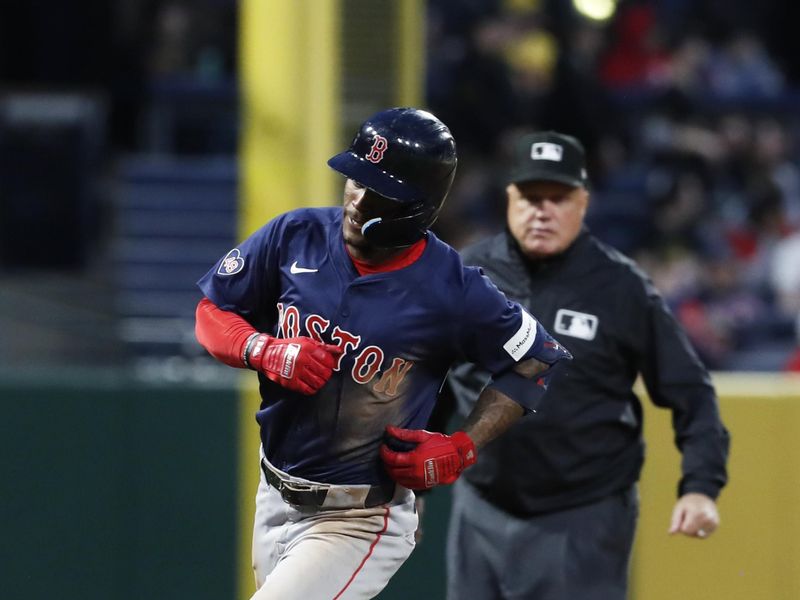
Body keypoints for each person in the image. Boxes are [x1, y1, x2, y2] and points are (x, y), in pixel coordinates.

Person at [193, 108, 572, 599]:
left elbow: (536, 358)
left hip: (361, 516)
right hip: (274, 494)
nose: (357, 198)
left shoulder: (451, 288)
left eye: (379, 191)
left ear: (419, 206)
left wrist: (463, 445)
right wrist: (261, 348)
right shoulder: (296, 235)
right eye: (355, 179)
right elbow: (212, 311)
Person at [444, 131, 730, 600]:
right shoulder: (467, 274)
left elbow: (690, 391)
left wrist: (700, 485)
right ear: (509, 198)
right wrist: (404, 491)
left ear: (583, 202)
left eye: (558, 197)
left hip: (582, 512)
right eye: (531, 196)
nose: (543, 210)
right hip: (481, 506)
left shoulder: (620, 287)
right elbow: (432, 379)